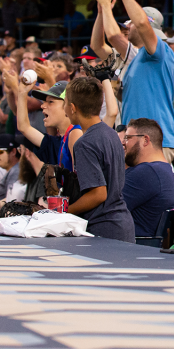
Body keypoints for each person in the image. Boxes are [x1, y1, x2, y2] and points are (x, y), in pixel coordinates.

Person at [98, 0, 174, 161]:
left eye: (131, 22)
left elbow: (142, 21)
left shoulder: (160, 51)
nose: (127, 27)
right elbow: (112, 36)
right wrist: (104, 8)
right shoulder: (136, 58)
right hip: (136, 140)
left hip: (154, 142)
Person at [65, 77, 134, 242]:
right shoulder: (111, 133)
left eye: (65, 103)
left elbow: (98, 194)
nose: (64, 109)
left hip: (104, 230)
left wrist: (65, 211)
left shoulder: (84, 143)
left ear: (73, 108)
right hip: (123, 226)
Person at [122, 118, 174, 239]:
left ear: (145, 140)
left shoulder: (147, 172)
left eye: (128, 138)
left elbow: (107, 208)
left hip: (129, 248)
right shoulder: (163, 169)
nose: (123, 142)